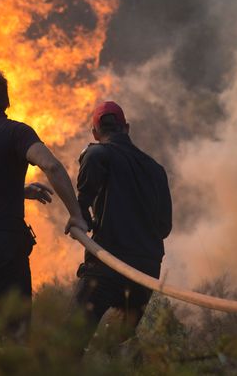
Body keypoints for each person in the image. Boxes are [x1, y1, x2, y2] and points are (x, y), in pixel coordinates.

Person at [0, 69, 87, 349]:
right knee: (16, 332)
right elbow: (51, 166)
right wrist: (76, 214)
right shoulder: (14, 131)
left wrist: (19, 192)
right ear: (6, 101)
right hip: (0, 245)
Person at [73, 101, 172, 352]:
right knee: (112, 341)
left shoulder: (97, 154)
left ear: (95, 132)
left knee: (70, 339)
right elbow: (164, 228)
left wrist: (83, 212)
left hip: (108, 264)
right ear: (126, 128)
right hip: (146, 272)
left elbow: (93, 162)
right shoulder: (156, 170)